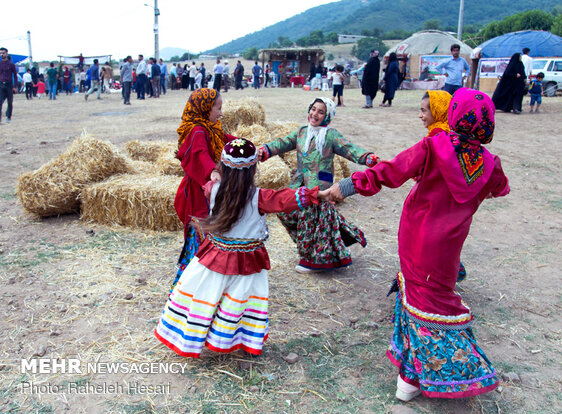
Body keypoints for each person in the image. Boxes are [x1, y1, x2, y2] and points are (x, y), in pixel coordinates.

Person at [323, 88, 508, 401]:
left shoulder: (434, 147)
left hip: (417, 236)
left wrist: (345, 186)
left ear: (454, 115)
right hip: (449, 247)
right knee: (434, 298)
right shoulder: (490, 164)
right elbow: (499, 187)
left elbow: (390, 172)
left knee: (422, 303)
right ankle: (413, 374)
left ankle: (412, 380)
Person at [155, 137, 325, 357]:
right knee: (238, 303)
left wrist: (212, 174)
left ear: (223, 167)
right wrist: (314, 195)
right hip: (247, 262)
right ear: (252, 170)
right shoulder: (259, 197)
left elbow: (208, 184)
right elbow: (284, 199)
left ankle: (195, 336)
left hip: (214, 256)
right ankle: (230, 339)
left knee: (208, 297)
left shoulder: (212, 189)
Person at [257, 97, 380, 273]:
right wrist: (265, 150)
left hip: (319, 186)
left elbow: (350, 149)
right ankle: (313, 246)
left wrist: (368, 158)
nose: (315, 114)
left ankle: (312, 260)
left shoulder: (331, 135)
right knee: (286, 213)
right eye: (313, 109)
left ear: (327, 116)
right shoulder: (301, 132)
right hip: (299, 184)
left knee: (310, 219)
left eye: (321, 111)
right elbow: (282, 143)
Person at [172, 89, 235, 292]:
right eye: (218, 108)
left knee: (210, 229)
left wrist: (245, 145)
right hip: (199, 192)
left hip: (208, 189)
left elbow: (225, 139)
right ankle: (191, 284)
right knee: (201, 230)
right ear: (205, 108)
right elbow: (199, 154)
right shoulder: (198, 131)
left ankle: (207, 280)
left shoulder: (210, 128)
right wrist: (212, 172)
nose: (221, 113)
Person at [419, 90, 468, 282]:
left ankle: (441, 275)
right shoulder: (452, 134)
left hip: (436, 198)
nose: (420, 115)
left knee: (430, 239)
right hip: (449, 199)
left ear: (438, 111)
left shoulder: (438, 138)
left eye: (424, 111)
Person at [0, 47, 18, 124]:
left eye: (3, 53)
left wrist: (15, 86)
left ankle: (8, 117)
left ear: (7, 54)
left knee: (10, 102)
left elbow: (15, 75)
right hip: (1, 85)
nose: (2, 55)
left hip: (9, 85)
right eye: (0, 53)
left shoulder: (11, 64)